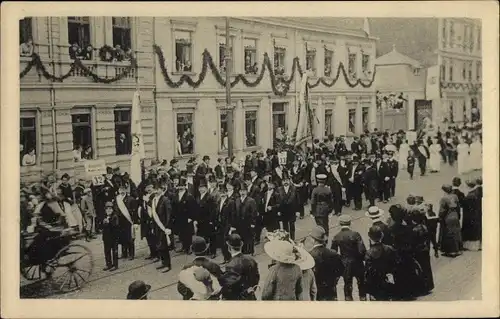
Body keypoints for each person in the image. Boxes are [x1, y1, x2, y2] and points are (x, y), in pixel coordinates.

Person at [331, 215, 367, 301]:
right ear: (350, 223)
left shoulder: (337, 236)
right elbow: (362, 250)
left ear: (340, 223)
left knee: (347, 284)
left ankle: (349, 301)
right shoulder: (356, 234)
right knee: (361, 283)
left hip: (345, 263)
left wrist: (341, 259)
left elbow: (333, 253)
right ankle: (363, 299)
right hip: (357, 262)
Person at [306, 226, 344, 301]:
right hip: (331, 288)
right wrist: (335, 280)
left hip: (317, 290)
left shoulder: (309, 255)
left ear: (313, 240)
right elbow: (341, 269)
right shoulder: (333, 253)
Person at [364, 225, 397, 301]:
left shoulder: (369, 253)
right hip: (389, 281)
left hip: (376, 284)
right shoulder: (389, 248)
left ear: (370, 237)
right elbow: (395, 263)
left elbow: (368, 271)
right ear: (382, 235)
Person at [224, 234, 260, 300]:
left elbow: (230, 288)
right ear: (241, 245)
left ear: (229, 248)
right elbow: (256, 277)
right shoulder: (251, 259)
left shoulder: (230, 265)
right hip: (251, 296)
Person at [151, 181, 173, 273]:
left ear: (161, 189)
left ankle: (167, 265)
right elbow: (153, 215)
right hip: (157, 226)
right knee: (159, 245)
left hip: (164, 226)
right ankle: (163, 262)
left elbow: (169, 214)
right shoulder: (154, 199)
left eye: (157, 189)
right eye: (154, 189)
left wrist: (167, 227)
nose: (156, 191)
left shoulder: (165, 200)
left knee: (164, 246)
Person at [114, 183, 139, 260]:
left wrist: (135, 222)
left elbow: (135, 212)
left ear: (126, 190)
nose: (121, 191)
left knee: (130, 238)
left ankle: (131, 254)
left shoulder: (131, 199)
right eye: (120, 190)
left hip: (128, 221)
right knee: (122, 238)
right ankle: (124, 253)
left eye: (123, 190)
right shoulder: (117, 199)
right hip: (120, 222)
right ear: (118, 191)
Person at [195, 180, 218, 258]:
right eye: (200, 188)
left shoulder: (210, 197)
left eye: (203, 187)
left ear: (206, 188)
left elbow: (213, 210)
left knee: (211, 237)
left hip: (208, 220)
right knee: (202, 236)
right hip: (200, 221)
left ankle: (213, 252)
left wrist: (212, 221)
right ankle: (204, 250)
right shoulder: (198, 197)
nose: (201, 189)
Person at [232, 184, 258, 255]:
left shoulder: (251, 200)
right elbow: (234, 212)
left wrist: (253, 223)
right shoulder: (237, 200)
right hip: (239, 223)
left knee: (249, 237)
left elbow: (254, 213)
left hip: (248, 222)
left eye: (244, 191)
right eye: (241, 191)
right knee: (241, 237)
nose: (242, 192)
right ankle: (243, 251)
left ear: (247, 191)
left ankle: (250, 251)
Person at [438, 184, 462, 257]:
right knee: (456, 232)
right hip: (455, 215)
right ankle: (458, 249)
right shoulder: (455, 196)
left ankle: (450, 251)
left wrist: (440, 217)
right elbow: (458, 207)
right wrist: (458, 215)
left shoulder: (443, 198)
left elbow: (442, 210)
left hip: (448, 216)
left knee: (448, 233)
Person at [277, 172, 299, 240]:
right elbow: (278, 201)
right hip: (283, 211)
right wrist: (278, 210)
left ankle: (293, 239)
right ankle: (287, 240)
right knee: (285, 227)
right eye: (284, 181)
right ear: (282, 182)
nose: (285, 182)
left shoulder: (294, 188)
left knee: (292, 225)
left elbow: (298, 200)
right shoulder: (279, 189)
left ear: (289, 180)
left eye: (287, 180)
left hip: (292, 210)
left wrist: (298, 211)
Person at [462, 180, 482, 251]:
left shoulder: (470, 195)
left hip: (470, 215)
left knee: (470, 231)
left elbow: (464, 204)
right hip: (476, 214)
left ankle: (470, 246)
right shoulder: (475, 193)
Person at [102, 201, 120, 271]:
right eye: (107, 209)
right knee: (107, 251)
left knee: (114, 251)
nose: (108, 210)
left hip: (113, 237)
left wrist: (109, 222)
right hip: (106, 237)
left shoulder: (115, 216)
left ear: (113, 209)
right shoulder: (104, 216)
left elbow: (116, 226)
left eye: (110, 209)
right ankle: (108, 264)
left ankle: (115, 265)